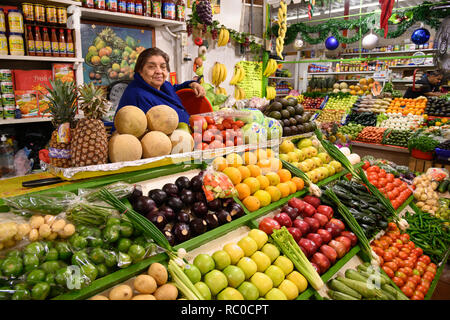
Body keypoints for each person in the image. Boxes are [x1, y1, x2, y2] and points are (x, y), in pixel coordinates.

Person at [115, 47, 206, 124]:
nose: (159, 71)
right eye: (151, 67)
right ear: (140, 70)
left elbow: (174, 89)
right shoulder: (137, 95)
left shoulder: (163, 85)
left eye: (163, 67)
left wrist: (192, 84)